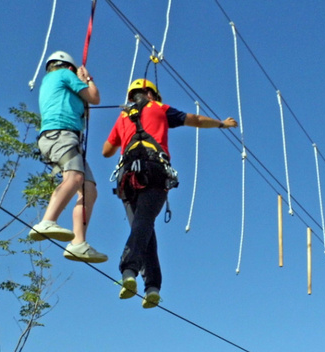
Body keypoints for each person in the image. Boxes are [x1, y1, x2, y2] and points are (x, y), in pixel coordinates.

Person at [102, 78, 238, 308]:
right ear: (151, 94)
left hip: (128, 178)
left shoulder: (123, 117)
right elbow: (193, 119)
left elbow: (106, 151)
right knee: (144, 225)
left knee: (142, 228)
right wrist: (221, 124)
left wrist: (125, 128)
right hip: (154, 172)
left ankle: (152, 286)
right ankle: (129, 270)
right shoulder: (160, 109)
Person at [29, 51, 108, 263]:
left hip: (63, 137)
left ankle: (78, 244)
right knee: (74, 178)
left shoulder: (53, 82)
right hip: (61, 134)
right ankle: (47, 221)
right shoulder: (65, 75)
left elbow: (85, 109)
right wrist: (87, 80)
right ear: (70, 67)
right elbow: (95, 97)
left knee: (88, 189)